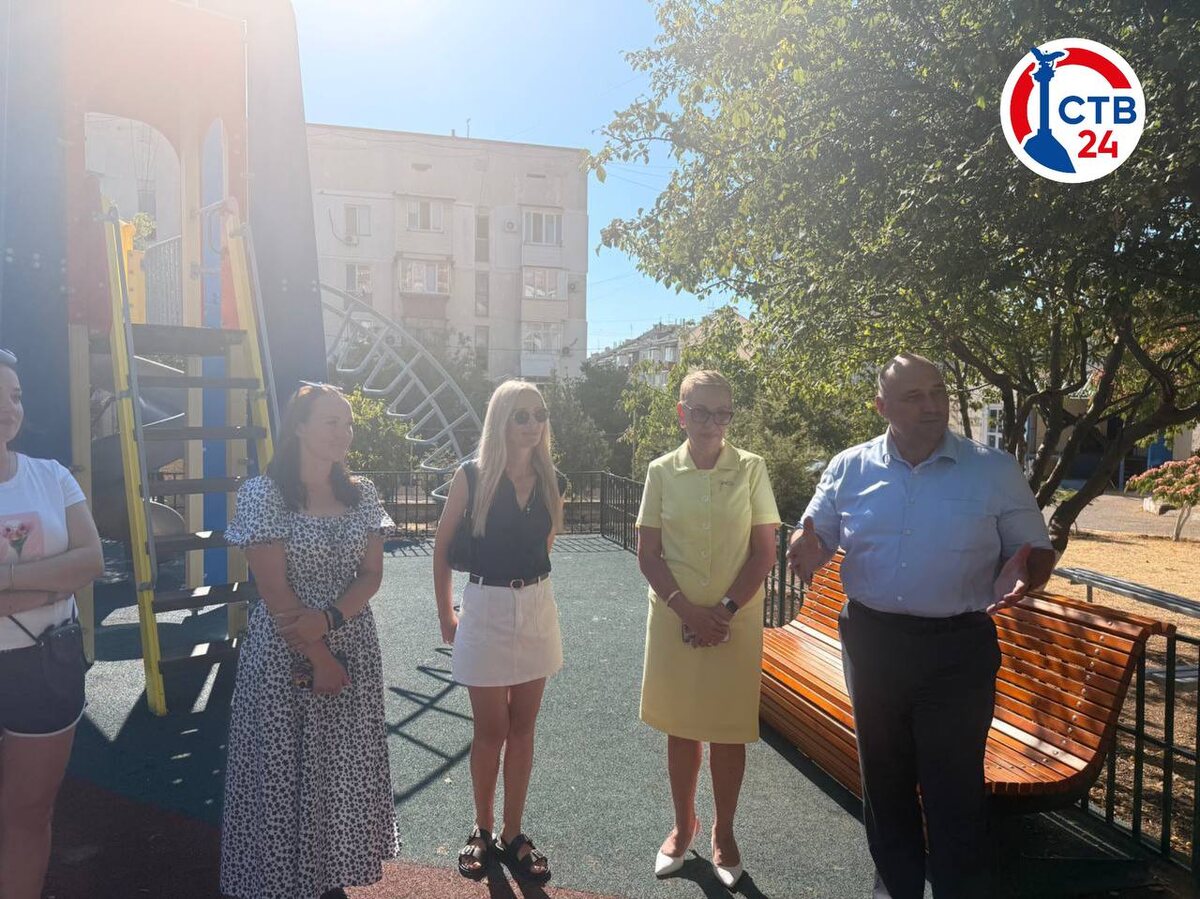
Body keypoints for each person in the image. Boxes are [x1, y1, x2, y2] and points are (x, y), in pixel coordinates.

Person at [789, 353, 1056, 899]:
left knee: (954, 792)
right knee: (884, 784)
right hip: (873, 644)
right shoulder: (849, 467)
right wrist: (805, 547)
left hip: (957, 649)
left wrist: (1026, 572)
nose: (932, 405)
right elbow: (817, 536)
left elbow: (1035, 553)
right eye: (914, 396)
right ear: (882, 406)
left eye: (938, 392)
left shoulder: (994, 470)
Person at [220, 382, 398, 899]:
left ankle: (327, 873)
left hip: (351, 641)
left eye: (348, 423)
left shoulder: (361, 493)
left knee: (341, 765)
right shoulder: (264, 494)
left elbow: (371, 574)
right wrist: (318, 653)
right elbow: (274, 591)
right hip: (286, 649)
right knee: (283, 766)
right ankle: (279, 878)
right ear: (298, 427)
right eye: (331, 422)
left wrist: (331, 618)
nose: (344, 432)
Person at [635, 370, 780, 888]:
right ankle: (682, 826)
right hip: (675, 619)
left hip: (734, 624)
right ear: (682, 414)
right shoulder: (660, 471)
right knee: (681, 727)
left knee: (727, 730)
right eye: (700, 412)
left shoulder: (752, 468)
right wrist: (688, 612)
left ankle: (724, 832)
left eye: (722, 414)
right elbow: (648, 554)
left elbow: (764, 552)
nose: (711, 423)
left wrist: (722, 611)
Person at [433, 379, 567, 885]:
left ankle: (513, 832)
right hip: (485, 605)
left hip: (536, 606)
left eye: (539, 415)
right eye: (521, 415)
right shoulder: (472, 476)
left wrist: (526, 596)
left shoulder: (553, 479)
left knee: (523, 728)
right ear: (501, 419)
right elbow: (442, 549)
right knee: (491, 729)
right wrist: (446, 615)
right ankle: (483, 828)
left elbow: (544, 546)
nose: (533, 424)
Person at [0, 347, 104, 899]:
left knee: (29, 813)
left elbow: (91, 562)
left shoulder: (51, 476)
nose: (8, 409)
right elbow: (69, 571)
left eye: (15, 396)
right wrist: (48, 586)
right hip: (40, 643)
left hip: (45, 665)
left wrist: (9, 582)